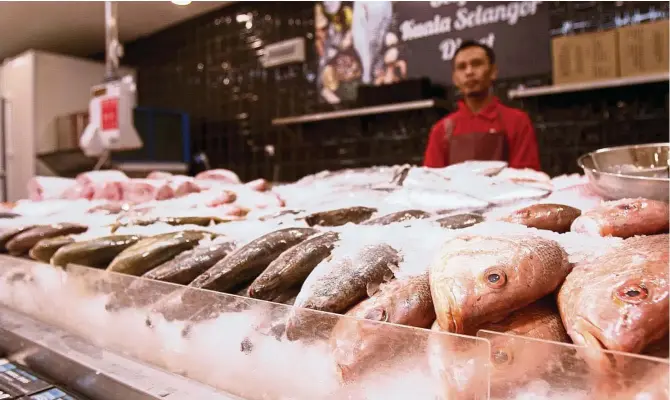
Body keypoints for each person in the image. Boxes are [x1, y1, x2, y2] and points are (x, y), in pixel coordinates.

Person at [423, 41, 541, 170]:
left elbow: (527, 180)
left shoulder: (517, 121)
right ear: (455, 79)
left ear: (493, 71)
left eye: (476, 64)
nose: (469, 72)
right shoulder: (441, 131)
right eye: (462, 67)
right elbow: (431, 184)